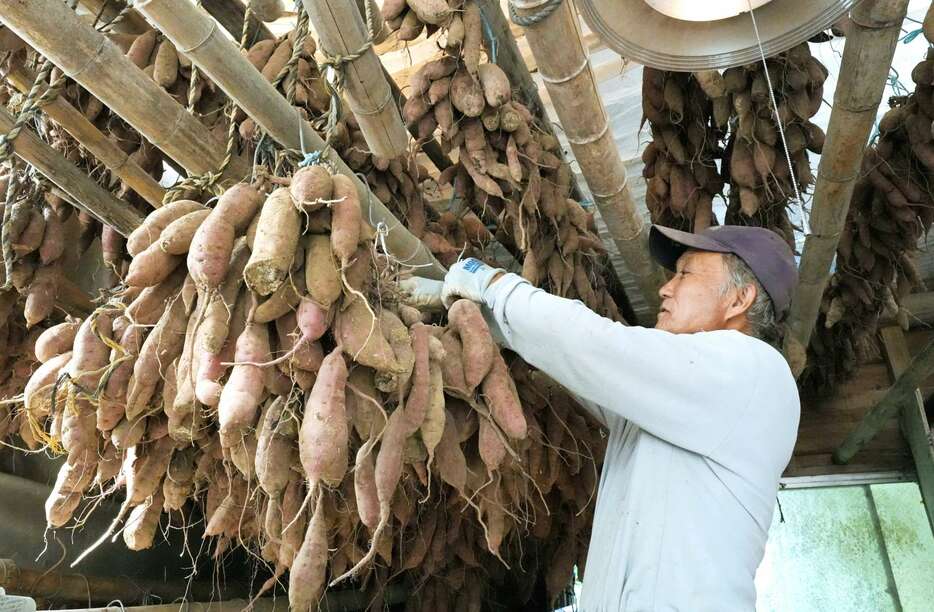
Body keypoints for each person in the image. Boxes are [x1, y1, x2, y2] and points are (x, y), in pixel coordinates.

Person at [401, 224, 801, 611]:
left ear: (739, 300)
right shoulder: (677, 400)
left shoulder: (752, 369)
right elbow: (580, 366)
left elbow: (596, 347)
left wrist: (492, 284)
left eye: (685, 274)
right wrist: (484, 320)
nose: (666, 287)